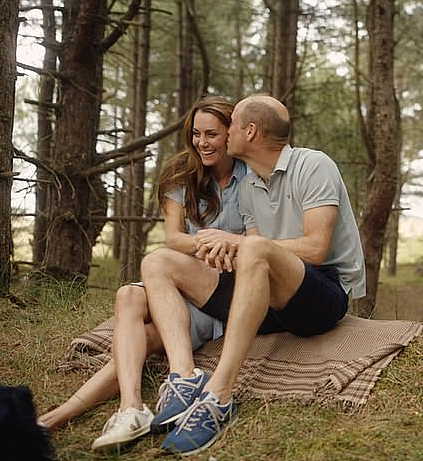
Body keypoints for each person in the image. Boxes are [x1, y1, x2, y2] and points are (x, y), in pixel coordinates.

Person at [139, 94, 366, 455]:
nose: (225, 131)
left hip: (319, 294)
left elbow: (315, 248)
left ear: (250, 130)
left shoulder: (313, 165)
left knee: (255, 247)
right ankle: (183, 377)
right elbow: (251, 255)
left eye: (231, 124)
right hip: (266, 303)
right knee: (158, 261)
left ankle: (220, 394)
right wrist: (225, 248)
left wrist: (240, 243)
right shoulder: (248, 186)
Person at [37, 96, 247, 452]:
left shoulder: (250, 173)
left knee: (146, 337)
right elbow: (174, 238)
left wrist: (231, 244)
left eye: (212, 134)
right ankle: (130, 407)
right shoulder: (182, 172)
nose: (202, 142)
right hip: (181, 276)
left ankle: (57, 417)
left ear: (232, 133)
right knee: (128, 295)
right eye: (196, 134)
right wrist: (210, 245)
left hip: (222, 288)